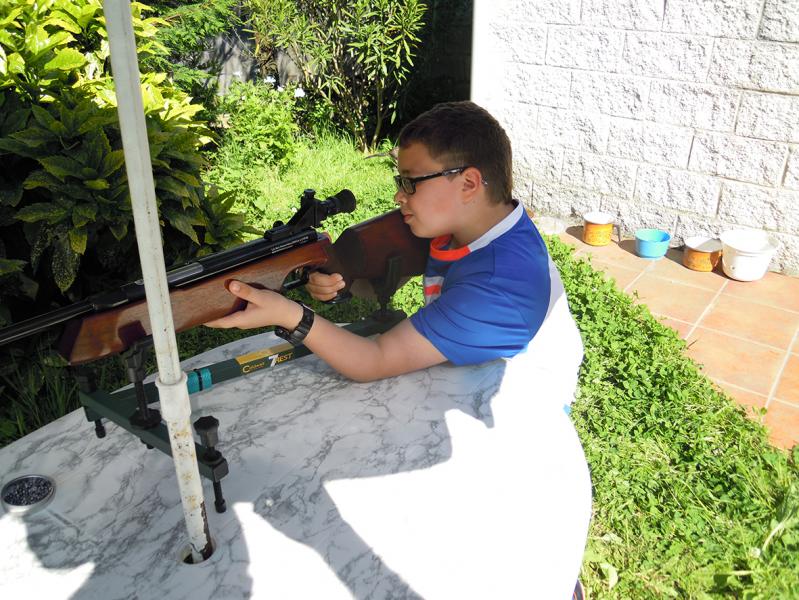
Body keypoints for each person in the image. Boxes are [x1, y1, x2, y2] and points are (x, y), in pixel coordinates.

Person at [206, 101, 554, 383]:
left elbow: (374, 361)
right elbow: (380, 264)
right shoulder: (475, 222)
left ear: (468, 185)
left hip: (519, 396)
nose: (399, 196)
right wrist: (337, 274)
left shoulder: (495, 289)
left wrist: (288, 314)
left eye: (410, 183)